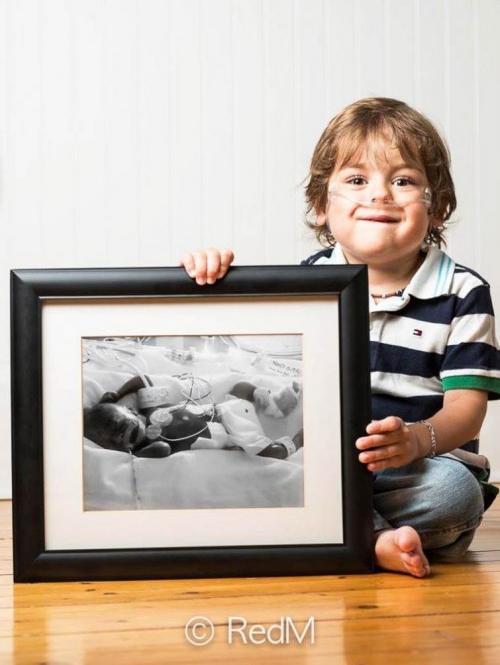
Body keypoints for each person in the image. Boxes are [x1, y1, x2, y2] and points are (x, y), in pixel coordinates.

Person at [179, 97, 500, 578]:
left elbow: (466, 407)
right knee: (264, 465)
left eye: (404, 180)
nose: (380, 195)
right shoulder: (308, 282)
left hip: (416, 468)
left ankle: (343, 536)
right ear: (320, 204)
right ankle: (373, 541)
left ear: (439, 208)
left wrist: (415, 440)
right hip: (326, 461)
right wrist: (214, 277)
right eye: (356, 180)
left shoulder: (462, 291)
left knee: (453, 495)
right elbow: (255, 355)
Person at [84, 372, 303, 460]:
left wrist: (116, 395)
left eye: (123, 424)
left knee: (240, 386)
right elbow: (164, 449)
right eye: (116, 440)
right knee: (268, 452)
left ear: (131, 410)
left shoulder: (150, 408)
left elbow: (143, 380)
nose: (123, 434)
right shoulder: (149, 446)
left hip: (221, 409)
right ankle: (294, 443)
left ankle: (272, 404)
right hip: (230, 434)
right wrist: (135, 453)